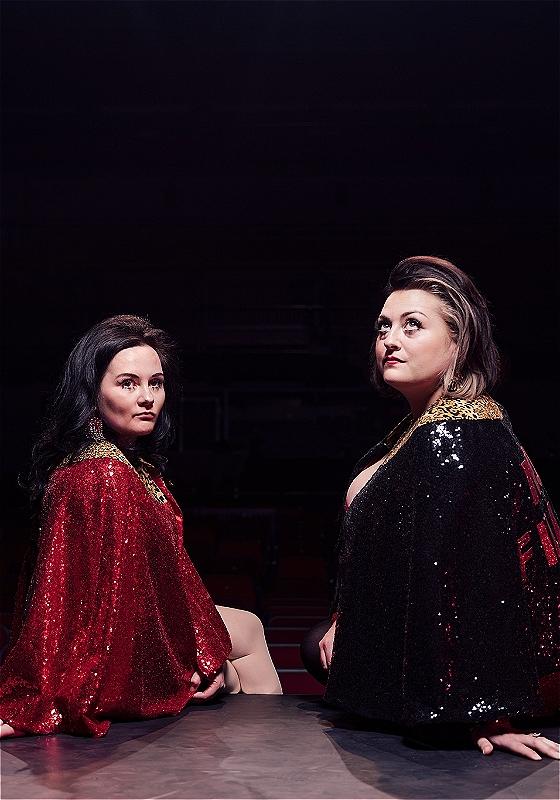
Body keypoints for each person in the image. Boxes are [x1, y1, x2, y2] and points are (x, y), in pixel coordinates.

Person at [301, 256, 560, 761]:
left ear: (458, 342)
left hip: (498, 663)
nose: (389, 340)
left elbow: (478, 575)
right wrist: (344, 618)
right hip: (425, 635)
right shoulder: (415, 429)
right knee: (318, 646)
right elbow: (386, 557)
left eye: (411, 326)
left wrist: (485, 707)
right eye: (383, 328)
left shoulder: (459, 428)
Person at [0, 315, 281, 738]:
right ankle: (271, 764)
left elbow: (160, 577)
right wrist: (200, 652)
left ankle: (260, 757)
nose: (147, 397)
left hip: (145, 619)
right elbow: (88, 596)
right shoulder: (102, 474)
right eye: (128, 383)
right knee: (244, 646)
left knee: (245, 637)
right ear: (93, 391)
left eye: (156, 383)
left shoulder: (124, 463)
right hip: (119, 639)